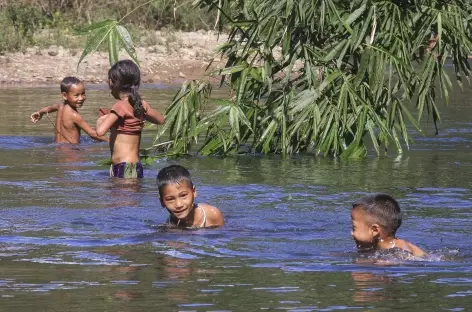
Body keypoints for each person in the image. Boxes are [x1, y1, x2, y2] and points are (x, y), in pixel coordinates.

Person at [96, 60, 165, 179]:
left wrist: (101, 120)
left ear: (112, 82)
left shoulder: (120, 106)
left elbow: (100, 132)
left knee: (124, 197)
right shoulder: (140, 104)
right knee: (130, 197)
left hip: (123, 166)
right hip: (134, 166)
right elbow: (160, 120)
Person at [30, 76, 108, 144]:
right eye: (76, 95)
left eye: (83, 93)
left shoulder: (60, 106)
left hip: (59, 149)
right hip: (71, 152)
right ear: (64, 95)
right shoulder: (74, 115)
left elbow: (48, 109)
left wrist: (39, 113)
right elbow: (92, 134)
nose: (81, 98)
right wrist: (111, 140)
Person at [351, 194, 425, 257]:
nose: (351, 233)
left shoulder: (399, 253)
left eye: (354, 228)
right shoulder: (385, 248)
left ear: (375, 230)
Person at [156, 165, 224, 228]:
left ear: (194, 192)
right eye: (170, 199)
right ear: (162, 202)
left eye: (183, 195)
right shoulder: (169, 227)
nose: (178, 205)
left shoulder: (212, 215)